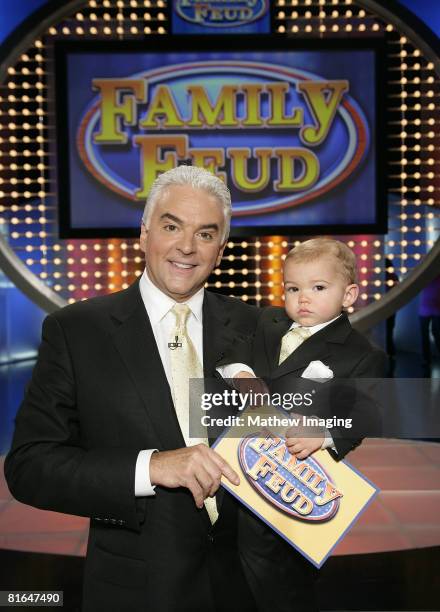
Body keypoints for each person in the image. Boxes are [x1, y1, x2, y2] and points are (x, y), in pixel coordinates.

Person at [4, 166, 260, 612]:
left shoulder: (260, 327)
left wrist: (324, 427)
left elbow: (334, 412)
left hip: (250, 588)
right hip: (138, 590)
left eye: (205, 234)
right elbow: (30, 466)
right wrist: (151, 468)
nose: (186, 246)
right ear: (143, 234)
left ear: (220, 250)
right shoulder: (77, 331)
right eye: (171, 226)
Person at [218, 237, 387, 612]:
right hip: (234, 467)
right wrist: (241, 373)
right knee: (226, 570)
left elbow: (367, 412)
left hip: (288, 482)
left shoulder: (362, 355)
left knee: (279, 581)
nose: (303, 298)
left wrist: (325, 433)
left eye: (318, 288)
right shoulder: (266, 320)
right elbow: (230, 348)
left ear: (349, 294)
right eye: (293, 288)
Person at [418, 274, 440, 373]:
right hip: (425, 309)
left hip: (437, 310)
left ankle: (427, 359)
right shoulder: (425, 276)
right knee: (425, 335)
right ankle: (426, 359)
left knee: (437, 334)